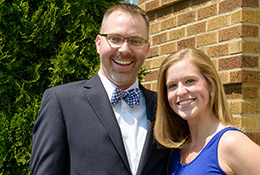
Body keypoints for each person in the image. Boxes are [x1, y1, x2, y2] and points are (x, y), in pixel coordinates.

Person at [30, 3, 170, 175]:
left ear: (147, 49)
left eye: (135, 41)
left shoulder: (163, 106)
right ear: (98, 43)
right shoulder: (62, 102)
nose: (125, 49)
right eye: (115, 38)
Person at [154, 48, 260, 175]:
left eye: (190, 81)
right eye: (172, 86)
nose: (180, 91)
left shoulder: (231, 143)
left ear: (210, 84)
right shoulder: (177, 151)